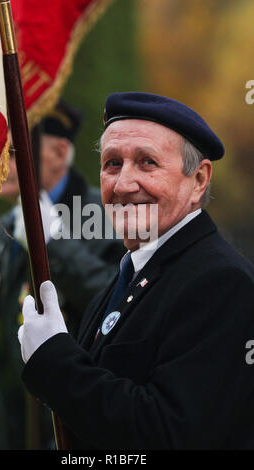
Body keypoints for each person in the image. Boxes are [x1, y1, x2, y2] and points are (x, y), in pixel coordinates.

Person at [19, 92, 254, 450]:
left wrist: (55, 361)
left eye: (147, 162)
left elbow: (169, 434)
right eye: (112, 164)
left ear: (200, 180)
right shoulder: (127, 276)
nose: (123, 184)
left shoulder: (221, 283)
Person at [0, 100, 125, 450]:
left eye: (10, 152)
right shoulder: (2, 232)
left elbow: (117, 303)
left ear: (59, 152)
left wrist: (51, 243)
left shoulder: (108, 218)